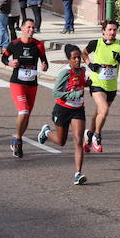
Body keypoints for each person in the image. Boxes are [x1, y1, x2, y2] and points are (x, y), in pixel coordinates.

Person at [37, 44, 89, 184]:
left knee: (78, 140)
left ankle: (78, 173)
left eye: (79, 57)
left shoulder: (83, 70)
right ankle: (46, 132)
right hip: (63, 109)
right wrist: (73, 94)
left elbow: (81, 83)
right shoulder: (65, 73)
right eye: (74, 58)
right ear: (68, 59)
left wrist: (87, 83)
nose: (78, 60)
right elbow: (56, 92)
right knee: (61, 141)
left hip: (78, 109)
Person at [82, 19, 120, 153]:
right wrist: (90, 65)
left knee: (99, 112)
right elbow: (84, 53)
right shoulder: (95, 43)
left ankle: (89, 134)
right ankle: (97, 136)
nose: (112, 32)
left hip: (111, 86)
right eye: (109, 30)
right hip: (97, 83)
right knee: (104, 110)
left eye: (114, 30)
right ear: (103, 31)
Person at [2, 19, 48, 158]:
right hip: (17, 83)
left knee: (27, 115)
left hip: (32, 84)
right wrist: (10, 63)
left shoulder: (38, 45)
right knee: (23, 110)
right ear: (22, 28)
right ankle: (17, 140)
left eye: (33, 28)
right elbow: (3, 58)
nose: (31, 30)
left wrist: (44, 66)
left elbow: (44, 60)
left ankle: (18, 138)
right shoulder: (15, 44)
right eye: (28, 27)